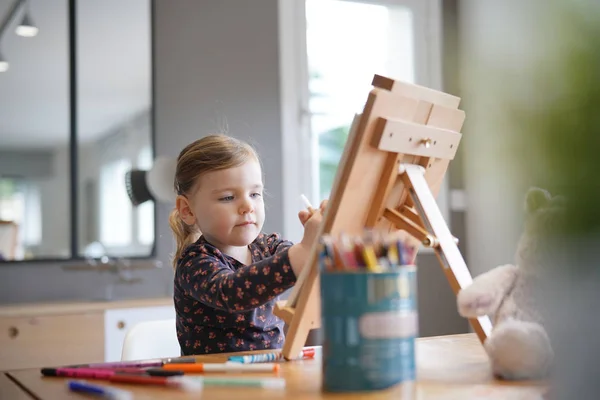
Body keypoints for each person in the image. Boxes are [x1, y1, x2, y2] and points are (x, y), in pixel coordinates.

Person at [168, 134, 326, 355]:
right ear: (188, 210)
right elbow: (232, 291)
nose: (247, 206)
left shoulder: (269, 246)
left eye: (254, 194)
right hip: (213, 384)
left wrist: (319, 242)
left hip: (269, 376)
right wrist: (303, 252)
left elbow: (299, 265)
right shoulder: (196, 262)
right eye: (227, 197)